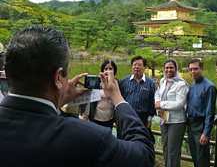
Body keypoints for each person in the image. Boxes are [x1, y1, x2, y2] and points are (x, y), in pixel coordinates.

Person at [0, 26, 155, 167]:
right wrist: (118, 99)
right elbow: (144, 156)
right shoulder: (88, 138)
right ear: (58, 78)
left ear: (8, 71)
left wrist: (59, 100)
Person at [155, 58, 189, 167]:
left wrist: (161, 104)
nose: (169, 70)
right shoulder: (163, 81)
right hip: (164, 119)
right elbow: (157, 94)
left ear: (176, 68)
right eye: (166, 68)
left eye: (171, 67)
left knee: (173, 150)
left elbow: (179, 103)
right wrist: (157, 103)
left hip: (177, 121)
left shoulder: (181, 84)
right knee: (165, 147)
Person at [187, 59, 217, 167]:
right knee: (194, 156)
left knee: (202, 159)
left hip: (201, 126)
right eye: (190, 69)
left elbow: (210, 112)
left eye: (195, 69)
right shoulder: (192, 86)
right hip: (191, 125)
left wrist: (206, 133)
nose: (193, 72)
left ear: (202, 69)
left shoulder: (209, 87)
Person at [119, 55, 156, 142]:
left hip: (142, 117)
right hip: (126, 116)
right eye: (134, 65)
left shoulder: (150, 83)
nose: (136, 67)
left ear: (144, 67)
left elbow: (152, 102)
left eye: (139, 65)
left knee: (139, 141)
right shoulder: (124, 81)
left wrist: (149, 118)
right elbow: (119, 99)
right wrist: (117, 116)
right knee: (123, 140)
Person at [85, 60, 117, 129]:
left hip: (109, 119)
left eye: (110, 68)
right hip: (95, 118)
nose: (108, 71)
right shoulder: (97, 81)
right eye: (106, 68)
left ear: (114, 70)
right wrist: (86, 114)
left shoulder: (117, 83)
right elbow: (88, 98)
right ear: (102, 70)